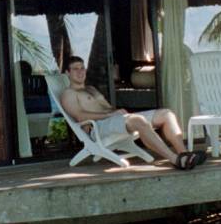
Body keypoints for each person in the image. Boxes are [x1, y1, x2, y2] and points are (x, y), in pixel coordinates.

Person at [58, 55, 204, 170]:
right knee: (139, 121)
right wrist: (110, 115)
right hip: (98, 128)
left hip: (115, 120)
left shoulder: (91, 89)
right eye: (75, 69)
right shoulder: (69, 94)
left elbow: (107, 108)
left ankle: (184, 153)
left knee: (167, 114)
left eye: (82, 68)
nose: (80, 71)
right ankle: (175, 160)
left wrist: (117, 112)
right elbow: (80, 116)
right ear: (67, 73)